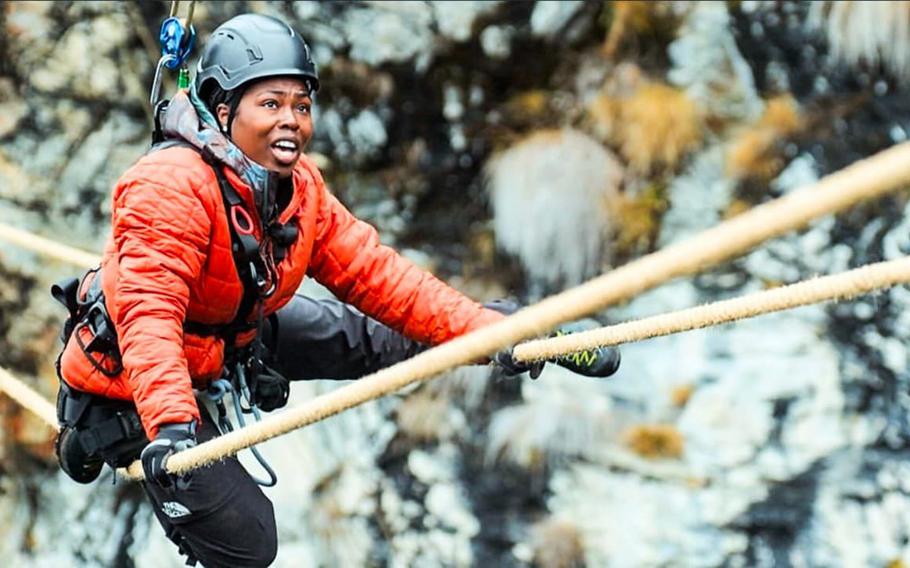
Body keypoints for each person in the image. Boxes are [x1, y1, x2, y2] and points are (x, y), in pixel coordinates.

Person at [51, 13, 620, 567]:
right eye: (270, 104)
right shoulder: (170, 185)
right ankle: (92, 439)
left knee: (386, 335)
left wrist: (493, 332)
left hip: (230, 338)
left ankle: (515, 327)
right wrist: (174, 432)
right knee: (252, 545)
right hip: (140, 386)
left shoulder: (299, 192)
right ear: (223, 113)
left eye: (301, 106)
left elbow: (382, 279)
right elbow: (149, 319)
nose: (291, 121)